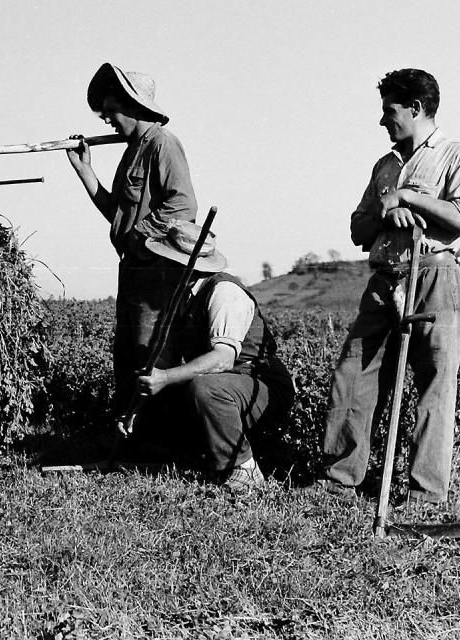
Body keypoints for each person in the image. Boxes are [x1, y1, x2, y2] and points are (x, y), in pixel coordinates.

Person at [320, 69, 460, 504]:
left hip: (433, 277)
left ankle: (425, 493)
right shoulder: (385, 165)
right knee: (354, 374)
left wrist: (408, 197)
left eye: (389, 110)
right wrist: (385, 212)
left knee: (434, 385)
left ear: (416, 108)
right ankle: (340, 479)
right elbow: (358, 229)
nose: (382, 120)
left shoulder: (457, 156)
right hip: (384, 280)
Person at [65, 62, 198, 425]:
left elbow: (184, 205)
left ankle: (156, 440)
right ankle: (129, 436)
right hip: (133, 269)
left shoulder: (163, 144)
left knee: (150, 358)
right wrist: (85, 171)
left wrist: (141, 235)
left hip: (156, 273)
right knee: (127, 357)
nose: (106, 119)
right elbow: (117, 214)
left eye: (110, 111)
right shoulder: (132, 150)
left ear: (133, 105)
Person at [133, 222, 295, 490]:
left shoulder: (225, 293)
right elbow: (167, 359)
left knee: (205, 387)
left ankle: (244, 469)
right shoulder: (180, 297)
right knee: (173, 388)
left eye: (166, 260)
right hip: (228, 384)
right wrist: (139, 406)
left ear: (182, 265)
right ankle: (183, 454)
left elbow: (223, 360)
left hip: (261, 386)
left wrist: (166, 378)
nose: (160, 267)